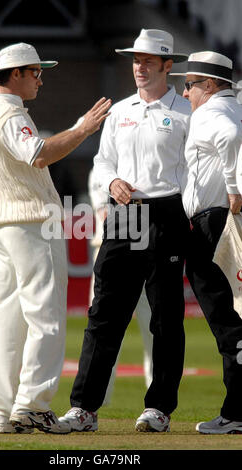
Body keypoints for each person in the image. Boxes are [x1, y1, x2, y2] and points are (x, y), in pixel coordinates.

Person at [0, 42, 111, 435]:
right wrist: (82, 129)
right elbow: (40, 154)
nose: (40, 80)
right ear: (16, 74)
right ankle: (31, 405)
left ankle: (3, 411)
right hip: (31, 222)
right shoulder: (12, 115)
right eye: (35, 73)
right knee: (45, 318)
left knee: (4, 321)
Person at [59, 29, 191, 433]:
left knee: (166, 316)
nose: (140, 66)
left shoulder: (186, 112)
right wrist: (111, 182)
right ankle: (84, 409)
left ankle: (159, 409)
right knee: (104, 314)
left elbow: (193, 168)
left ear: (168, 66)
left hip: (168, 212)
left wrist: (187, 210)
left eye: (149, 60)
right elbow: (102, 162)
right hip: (125, 214)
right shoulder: (119, 111)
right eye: (136, 60)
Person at [172, 51, 242, 434]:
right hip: (228, 220)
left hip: (215, 222)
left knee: (226, 319)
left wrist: (233, 187)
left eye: (189, 84)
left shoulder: (212, 114)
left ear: (210, 85)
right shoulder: (236, 108)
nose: (185, 93)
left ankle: (236, 412)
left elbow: (229, 139)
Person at [88, 167, 153, 403]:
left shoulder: (145, 165)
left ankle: (155, 400)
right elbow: (106, 214)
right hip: (111, 255)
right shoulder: (100, 171)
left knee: (153, 330)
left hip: (147, 252)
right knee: (103, 330)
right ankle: (95, 400)